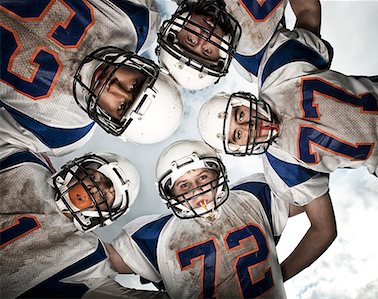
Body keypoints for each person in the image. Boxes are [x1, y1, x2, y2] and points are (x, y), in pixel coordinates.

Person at [197, 59, 378, 235]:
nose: (249, 126)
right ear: (238, 148)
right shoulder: (281, 169)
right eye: (238, 134)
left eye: (240, 115)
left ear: (243, 100)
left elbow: (308, 10)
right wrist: (275, 279)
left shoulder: (278, 71)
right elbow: (323, 229)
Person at [107, 139, 336, 297]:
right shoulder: (154, 236)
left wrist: (281, 273)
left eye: (203, 177)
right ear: (171, 194)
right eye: (184, 185)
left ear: (219, 174)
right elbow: (91, 260)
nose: (196, 189)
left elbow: (314, 206)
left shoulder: (252, 196)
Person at [0, 0, 183, 160]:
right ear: (146, 69)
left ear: (110, 121)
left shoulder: (64, 132)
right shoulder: (135, 19)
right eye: (134, 85)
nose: (115, 88)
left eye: (121, 106)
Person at [0, 147, 169, 298]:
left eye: (106, 195)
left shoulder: (88, 255)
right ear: (78, 169)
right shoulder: (26, 165)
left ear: (106, 213)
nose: (94, 189)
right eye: (94, 178)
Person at [157, 0, 332, 89]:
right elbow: (307, 11)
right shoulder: (255, 55)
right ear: (222, 56)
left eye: (191, 40)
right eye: (207, 51)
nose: (204, 37)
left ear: (176, 28)